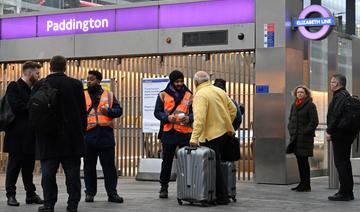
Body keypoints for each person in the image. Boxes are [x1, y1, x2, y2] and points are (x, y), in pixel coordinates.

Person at [33, 56, 87, 212]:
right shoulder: (76, 85)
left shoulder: (40, 84)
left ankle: (49, 204)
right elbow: (82, 113)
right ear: (65, 67)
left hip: (47, 137)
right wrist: (80, 133)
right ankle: (72, 205)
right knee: (72, 174)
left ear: (50, 67)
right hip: (71, 138)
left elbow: (34, 112)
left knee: (48, 174)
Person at [190, 71, 237, 205]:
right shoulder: (219, 91)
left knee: (212, 167)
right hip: (223, 133)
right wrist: (226, 123)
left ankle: (221, 196)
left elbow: (199, 119)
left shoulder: (200, 95)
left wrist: (194, 138)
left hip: (210, 136)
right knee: (218, 164)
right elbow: (233, 110)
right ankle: (221, 194)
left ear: (195, 82)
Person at [3, 61, 43, 206]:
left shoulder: (34, 88)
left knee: (28, 167)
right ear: (29, 73)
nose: (39, 76)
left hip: (31, 135)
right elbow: (16, 106)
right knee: (14, 166)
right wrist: (34, 105)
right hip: (16, 135)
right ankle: (10, 195)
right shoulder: (14, 86)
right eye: (37, 73)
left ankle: (30, 194)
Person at [84, 70, 124, 203]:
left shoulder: (109, 95)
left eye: (92, 79)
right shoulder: (82, 95)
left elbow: (119, 111)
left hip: (106, 136)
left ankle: (112, 194)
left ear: (99, 81)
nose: (89, 81)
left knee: (109, 167)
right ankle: (90, 193)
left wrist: (109, 111)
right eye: (87, 79)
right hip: (89, 136)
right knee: (89, 167)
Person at [154, 70, 193, 199]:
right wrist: (166, 118)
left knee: (186, 162)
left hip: (185, 133)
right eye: (177, 81)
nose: (180, 83)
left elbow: (196, 112)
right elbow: (157, 112)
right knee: (167, 162)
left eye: (181, 81)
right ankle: (163, 187)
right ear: (171, 81)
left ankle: (186, 188)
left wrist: (189, 118)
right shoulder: (163, 95)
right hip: (169, 132)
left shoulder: (190, 95)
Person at [326, 74, 356, 201]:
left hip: (339, 135)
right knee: (345, 163)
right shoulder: (347, 95)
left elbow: (335, 115)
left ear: (338, 84)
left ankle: (344, 192)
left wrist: (329, 131)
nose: (331, 84)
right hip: (347, 134)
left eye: (332, 82)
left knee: (340, 163)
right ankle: (348, 191)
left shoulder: (339, 96)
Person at [287, 85, 319, 192]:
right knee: (300, 162)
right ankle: (302, 183)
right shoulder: (294, 105)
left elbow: (314, 122)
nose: (299, 94)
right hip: (295, 138)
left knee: (304, 162)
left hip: (305, 138)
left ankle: (306, 185)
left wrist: (304, 132)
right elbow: (291, 119)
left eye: (301, 92)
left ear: (306, 94)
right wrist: (291, 130)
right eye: (298, 92)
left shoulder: (310, 105)